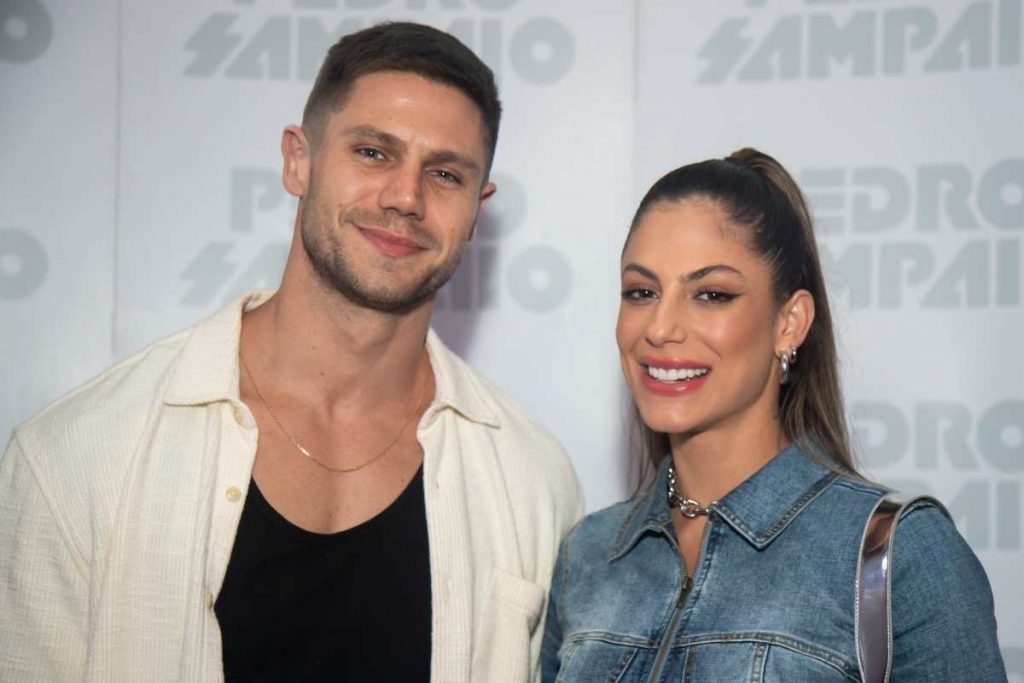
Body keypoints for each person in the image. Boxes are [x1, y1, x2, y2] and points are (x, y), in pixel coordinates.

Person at [0, 22, 582, 682]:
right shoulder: (78, 454)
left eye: (445, 173)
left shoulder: (532, 481)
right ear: (297, 161)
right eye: (373, 152)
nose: (405, 197)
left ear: (478, 207)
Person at [540, 149, 1006, 681]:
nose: (660, 328)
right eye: (641, 292)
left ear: (790, 323)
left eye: (712, 294)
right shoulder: (588, 555)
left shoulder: (898, 556)